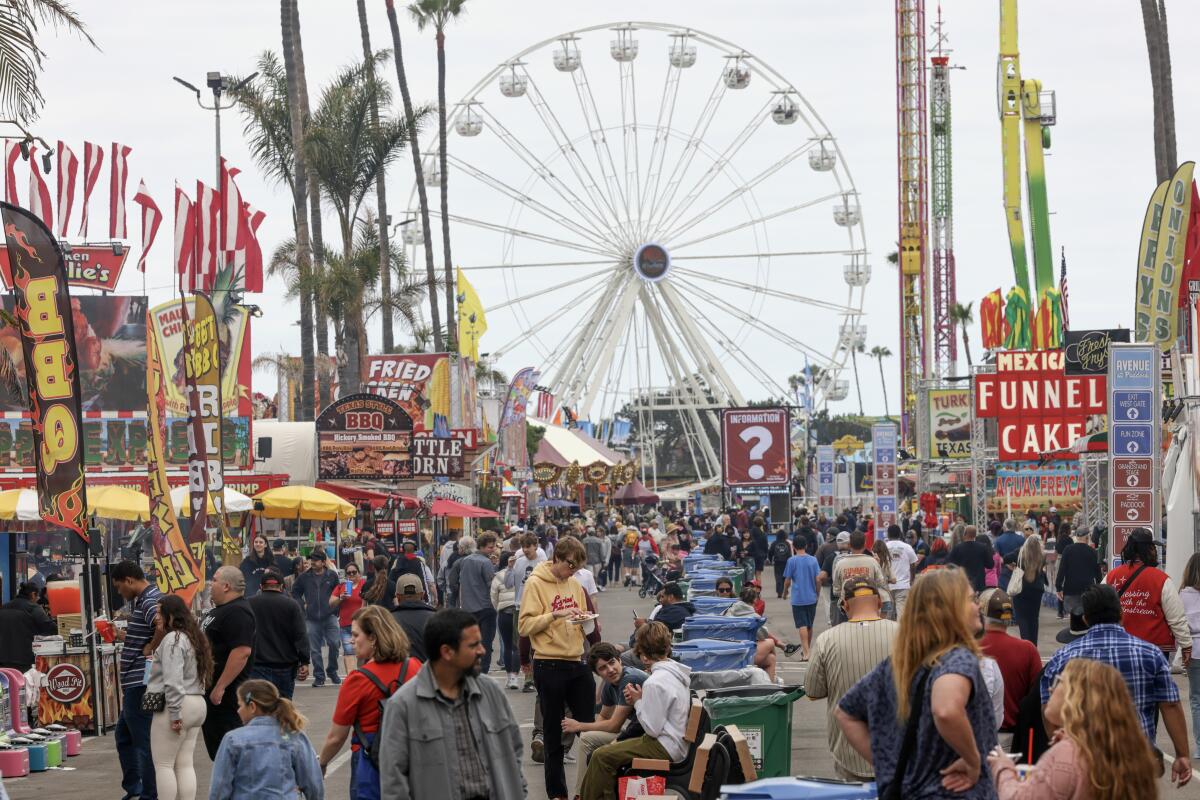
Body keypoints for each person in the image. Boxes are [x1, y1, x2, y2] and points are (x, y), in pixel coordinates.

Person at [836, 569, 999, 798]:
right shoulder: (957, 657)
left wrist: (890, 767)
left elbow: (845, 713)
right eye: (971, 599)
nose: (978, 606)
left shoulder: (898, 666)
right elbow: (946, 710)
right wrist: (974, 761)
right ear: (950, 610)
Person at [1040, 583, 1191, 785]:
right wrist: (1182, 756)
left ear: (1085, 619)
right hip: (1137, 761)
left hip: (1084, 764)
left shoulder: (1062, 658)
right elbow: (1170, 706)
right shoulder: (1150, 654)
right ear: (1121, 613)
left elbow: (1049, 713)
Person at [378, 609, 525, 800]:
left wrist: (518, 790)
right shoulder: (402, 706)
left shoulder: (492, 692)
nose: (482, 650)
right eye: (473, 645)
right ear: (447, 652)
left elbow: (515, 749)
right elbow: (393, 783)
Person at [987, 659, 1161, 800]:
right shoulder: (1117, 749)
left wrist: (1002, 766)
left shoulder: (1070, 753)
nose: (1050, 688)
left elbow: (1019, 797)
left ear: (1077, 696)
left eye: (1059, 682)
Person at [517, 536, 596, 799]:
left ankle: (588, 790)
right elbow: (525, 626)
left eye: (577, 567)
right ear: (557, 559)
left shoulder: (575, 584)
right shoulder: (535, 584)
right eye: (570, 565)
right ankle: (557, 793)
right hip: (549, 662)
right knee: (552, 734)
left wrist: (586, 623)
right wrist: (554, 615)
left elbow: (586, 622)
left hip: (576, 660)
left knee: (589, 728)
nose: (573, 571)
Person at [579, 622, 692, 800]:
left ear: (644, 657)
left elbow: (652, 729)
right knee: (603, 755)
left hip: (665, 745)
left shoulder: (656, 682)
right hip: (676, 742)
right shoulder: (675, 672)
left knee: (601, 756)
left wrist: (638, 702)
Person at [318, 607, 421, 800]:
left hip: (370, 761)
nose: (351, 640)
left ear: (373, 637)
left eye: (356, 635)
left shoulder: (358, 680)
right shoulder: (415, 667)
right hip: (411, 757)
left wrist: (322, 763)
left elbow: (336, 737)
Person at [805, 578, 900, 781]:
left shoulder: (826, 640)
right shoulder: (904, 635)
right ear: (879, 603)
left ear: (845, 605)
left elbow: (813, 691)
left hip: (847, 748)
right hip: (897, 748)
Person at [208, 679, 323, 800]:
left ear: (252, 707)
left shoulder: (233, 739)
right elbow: (312, 782)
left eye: (240, 705)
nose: (238, 711)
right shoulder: (294, 736)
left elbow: (220, 787)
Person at [147, 594, 211, 800]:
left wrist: (174, 713)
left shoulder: (173, 640)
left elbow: (173, 679)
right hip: (197, 703)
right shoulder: (195, 637)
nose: (157, 616)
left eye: (159, 612)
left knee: (164, 765)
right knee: (185, 763)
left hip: (176, 704)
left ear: (171, 615)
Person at [566, 643, 648, 800]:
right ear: (597, 673)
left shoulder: (629, 679)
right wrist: (593, 730)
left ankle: (582, 794)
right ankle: (585, 793)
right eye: (603, 668)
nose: (610, 670)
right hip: (639, 732)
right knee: (588, 738)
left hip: (650, 736)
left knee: (587, 739)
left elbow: (614, 725)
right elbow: (604, 716)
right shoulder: (610, 686)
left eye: (612, 662)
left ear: (620, 661)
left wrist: (579, 726)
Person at [111, 559, 163, 800]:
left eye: (120, 587)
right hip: (139, 682)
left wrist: (151, 646)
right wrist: (128, 636)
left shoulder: (149, 599)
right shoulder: (146, 599)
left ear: (129, 580)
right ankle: (136, 788)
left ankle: (149, 794)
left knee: (143, 740)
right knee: (125, 735)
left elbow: (161, 624)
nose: (120, 592)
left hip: (142, 683)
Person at [1104, 528, 1192, 661]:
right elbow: (1176, 618)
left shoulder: (1110, 577)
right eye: (1153, 548)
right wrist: (1186, 646)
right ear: (1149, 550)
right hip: (1154, 650)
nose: (1155, 551)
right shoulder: (1161, 579)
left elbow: (1098, 609)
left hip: (1119, 647)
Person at [201, 566, 257, 761]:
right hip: (212, 692)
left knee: (230, 752)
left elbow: (242, 652)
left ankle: (237, 789)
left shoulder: (238, 612)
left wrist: (220, 686)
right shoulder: (221, 610)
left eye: (214, 580)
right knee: (219, 750)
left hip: (226, 696)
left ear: (226, 586)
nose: (210, 584)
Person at [977, 589, 1040, 733]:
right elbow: (1037, 697)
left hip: (975, 735)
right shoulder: (1028, 650)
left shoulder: (969, 648)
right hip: (1014, 735)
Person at [248, 569, 310, 699]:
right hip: (285, 667)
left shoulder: (249, 603)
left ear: (261, 587)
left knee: (260, 708)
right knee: (283, 710)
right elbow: (300, 635)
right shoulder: (292, 605)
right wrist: (304, 661)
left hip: (257, 666)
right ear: (282, 587)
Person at [291, 549, 342, 687]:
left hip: (330, 616)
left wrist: (335, 609)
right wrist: (302, 606)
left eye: (316, 560)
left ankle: (332, 670)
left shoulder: (332, 576)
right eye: (311, 559)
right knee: (314, 649)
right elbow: (295, 593)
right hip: (312, 618)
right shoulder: (304, 577)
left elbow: (338, 592)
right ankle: (319, 676)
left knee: (334, 644)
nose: (312, 562)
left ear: (324, 562)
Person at [456, 532, 499, 673]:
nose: (493, 550)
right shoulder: (485, 562)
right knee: (486, 643)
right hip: (486, 607)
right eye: (490, 547)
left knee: (471, 642)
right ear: (481, 546)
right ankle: (483, 673)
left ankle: (471, 668)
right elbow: (491, 585)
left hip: (468, 607)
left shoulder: (465, 560)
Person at [827, 530, 885, 627]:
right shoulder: (872, 562)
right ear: (865, 544)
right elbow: (881, 583)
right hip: (869, 606)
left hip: (847, 607)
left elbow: (836, 590)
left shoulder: (840, 564)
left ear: (849, 544)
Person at [0, 580, 55, 671]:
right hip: (24, 660)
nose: (37, 599)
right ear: (33, 594)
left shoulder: (4, 607)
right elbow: (51, 628)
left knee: (6, 684)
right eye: (37, 596)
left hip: (2, 660)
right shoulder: (33, 608)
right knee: (23, 684)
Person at [1055, 526, 1100, 636]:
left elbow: (1062, 570)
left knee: (1074, 616)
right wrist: (1099, 589)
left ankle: (1074, 639)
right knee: (1086, 617)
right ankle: (1084, 639)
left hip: (1071, 589)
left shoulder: (1068, 550)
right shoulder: (1092, 552)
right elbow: (1098, 574)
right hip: (1088, 590)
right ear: (1087, 537)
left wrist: (1058, 587)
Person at [783, 537, 821, 660]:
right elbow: (818, 579)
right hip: (811, 597)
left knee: (802, 625)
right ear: (806, 546)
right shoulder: (813, 560)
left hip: (798, 598)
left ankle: (806, 653)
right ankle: (807, 649)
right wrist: (817, 593)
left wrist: (784, 593)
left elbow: (787, 580)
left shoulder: (791, 561)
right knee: (809, 625)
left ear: (793, 546)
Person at [331, 562, 367, 676]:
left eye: (354, 572)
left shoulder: (365, 584)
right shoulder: (342, 586)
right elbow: (331, 603)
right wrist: (341, 598)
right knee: (349, 651)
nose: (351, 574)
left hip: (362, 624)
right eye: (349, 573)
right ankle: (351, 679)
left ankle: (361, 676)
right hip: (346, 624)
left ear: (359, 573)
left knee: (361, 651)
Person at [390, 574, 436, 662]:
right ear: (423, 594)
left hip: (399, 674)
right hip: (428, 674)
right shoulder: (436, 618)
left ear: (397, 596)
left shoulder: (389, 620)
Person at [1010, 535, 1047, 643]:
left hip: (1021, 589)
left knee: (1022, 618)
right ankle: (1033, 646)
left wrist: (1013, 565)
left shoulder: (1020, 553)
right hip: (1036, 590)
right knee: (1034, 618)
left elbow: (1006, 558)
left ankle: (1026, 643)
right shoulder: (1042, 555)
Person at [491, 552, 520, 689]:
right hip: (519, 612)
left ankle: (510, 677)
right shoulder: (522, 574)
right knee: (517, 646)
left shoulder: (499, 575)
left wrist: (498, 607)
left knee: (507, 646)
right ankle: (515, 676)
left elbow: (493, 595)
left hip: (504, 613)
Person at [1182, 552, 1200, 759]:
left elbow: (1179, 626)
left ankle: (1199, 746)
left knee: (1196, 699)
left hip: (1194, 649)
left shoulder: (1183, 595)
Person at [948, 525, 996, 592]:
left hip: (963, 583)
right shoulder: (983, 547)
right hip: (979, 584)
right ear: (975, 535)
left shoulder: (957, 548)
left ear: (964, 534)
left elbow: (949, 565)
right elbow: (990, 565)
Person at [884, 524, 918, 618]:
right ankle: (900, 632)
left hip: (887, 585)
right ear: (900, 534)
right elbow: (913, 564)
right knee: (902, 614)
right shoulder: (907, 547)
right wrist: (912, 579)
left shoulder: (884, 547)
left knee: (888, 615)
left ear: (888, 534)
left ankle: (888, 632)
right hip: (903, 585)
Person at [769, 530, 793, 599]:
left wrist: (770, 560)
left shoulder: (774, 543)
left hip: (777, 562)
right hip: (786, 562)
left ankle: (779, 592)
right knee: (785, 577)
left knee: (778, 577)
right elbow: (789, 553)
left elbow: (770, 552)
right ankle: (785, 590)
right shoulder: (787, 543)